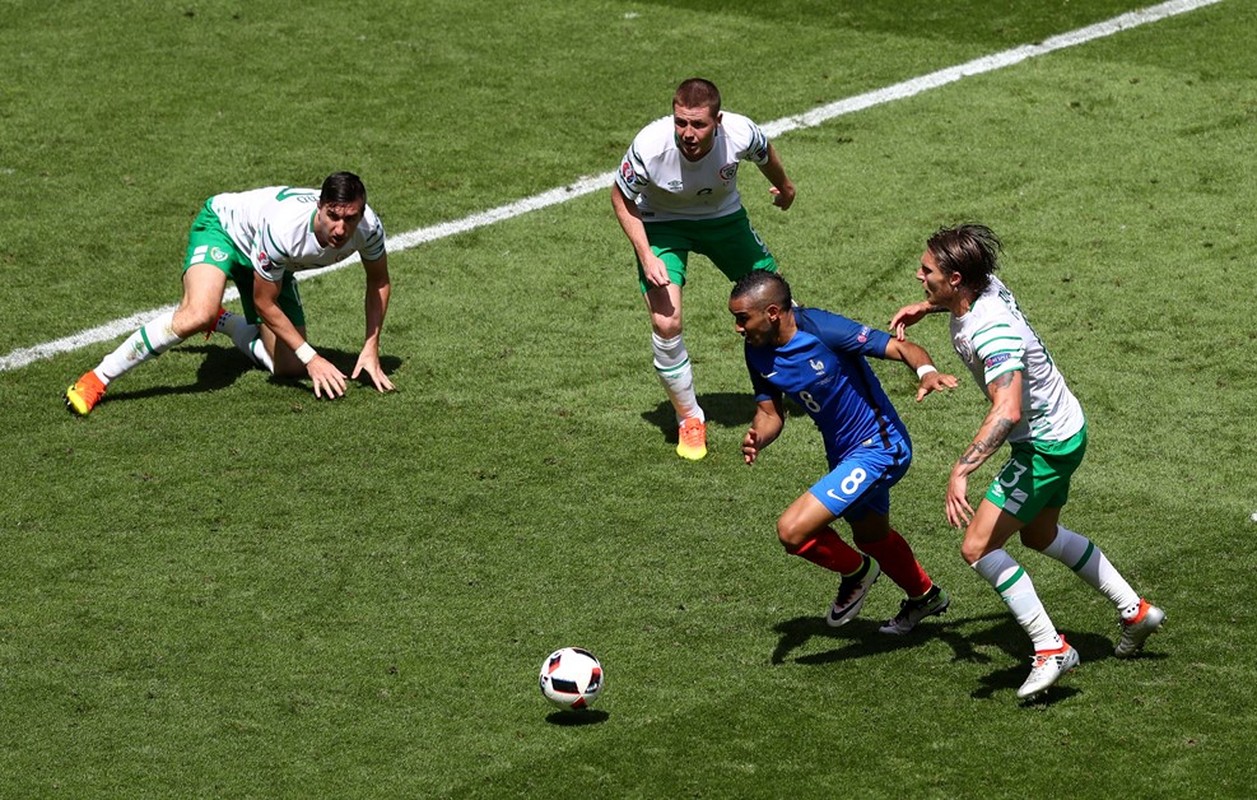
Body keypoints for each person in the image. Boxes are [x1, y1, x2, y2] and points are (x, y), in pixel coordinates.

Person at [891, 223, 1165, 699]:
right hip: (1066, 427)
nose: (919, 276)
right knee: (1040, 535)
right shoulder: (982, 287)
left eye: (927, 271)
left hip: (1042, 445)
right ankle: (1135, 611)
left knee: (977, 548)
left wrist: (962, 468)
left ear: (956, 278)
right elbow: (964, 298)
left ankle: (1049, 648)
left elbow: (1008, 410)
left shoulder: (990, 331)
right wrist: (929, 306)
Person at [731, 270, 958, 634]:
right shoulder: (757, 350)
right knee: (872, 537)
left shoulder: (822, 330)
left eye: (743, 319)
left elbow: (900, 347)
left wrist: (926, 372)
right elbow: (770, 413)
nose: (738, 328)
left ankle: (858, 572)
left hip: (880, 448)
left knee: (792, 531)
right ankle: (925, 596)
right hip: (843, 455)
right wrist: (759, 435)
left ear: (772, 312)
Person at [65, 172, 394, 415]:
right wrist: (314, 357)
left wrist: (370, 346)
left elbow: (378, 281)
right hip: (223, 230)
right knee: (197, 315)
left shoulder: (368, 229)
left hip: (273, 264)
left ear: (361, 215)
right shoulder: (285, 230)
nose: (340, 229)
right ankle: (97, 378)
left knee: (289, 368)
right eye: (333, 217)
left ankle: (228, 323)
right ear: (320, 207)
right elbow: (263, 302)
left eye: (350, 219)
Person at [613, 77, 796, 460]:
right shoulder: (650, 144)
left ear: (718, 120)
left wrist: (785, 186)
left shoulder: (740, 132)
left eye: (698, 124)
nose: (688, 133)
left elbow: (766, 153)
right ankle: (689, 417)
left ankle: (804, 378)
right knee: (666, 322)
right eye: (681, 122)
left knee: (776, 295)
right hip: (661, 225)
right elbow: (620, 196)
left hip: (722, 219)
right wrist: (647, 255)